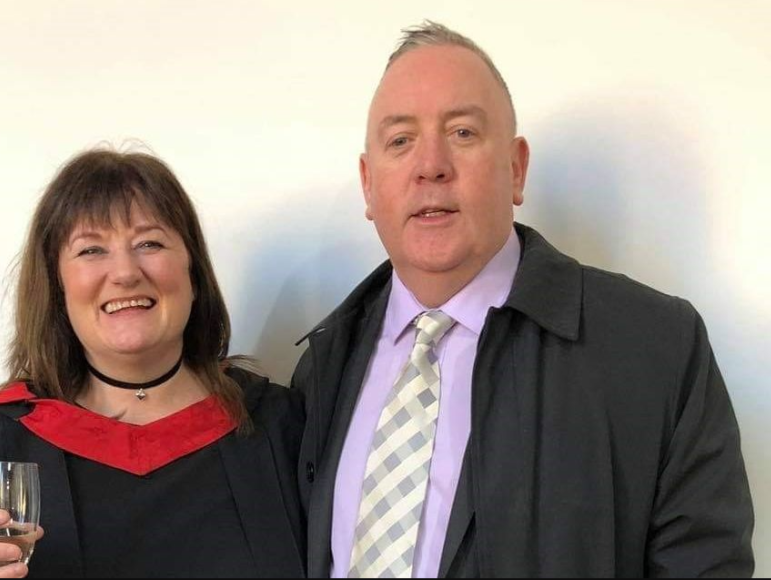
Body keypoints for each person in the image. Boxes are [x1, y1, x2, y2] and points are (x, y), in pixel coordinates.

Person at [291, 21, 754, 578]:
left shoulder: (658, 349)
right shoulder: (322, 369)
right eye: (400, 141)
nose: (431, 164)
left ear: (516, 168)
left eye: (462, 132)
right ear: (369, 184)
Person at [0, 149, 306, 578]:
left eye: (150, 242)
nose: (125, 272)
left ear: (193, 272)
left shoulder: (285, 431)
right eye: (91, 250)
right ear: (56, 287)